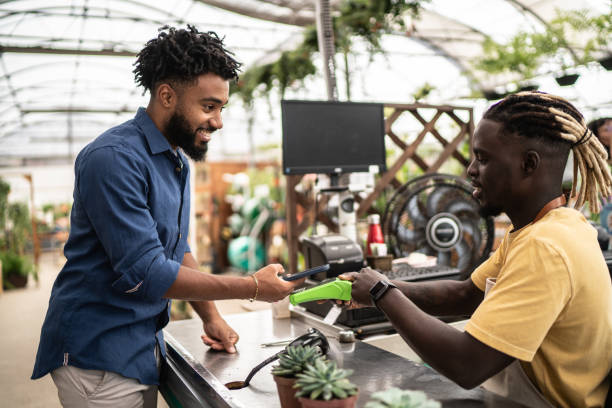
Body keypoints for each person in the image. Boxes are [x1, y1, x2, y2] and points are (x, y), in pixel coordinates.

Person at [31, 25, 301, 408]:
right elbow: (148, 272)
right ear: (167, 95)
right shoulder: (113, 158)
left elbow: (174, 247)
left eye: (221, 108)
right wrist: (252, 287)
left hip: (142, 342)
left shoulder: (175, 160)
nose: (218, 121)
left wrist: (211, 317)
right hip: (100, 355)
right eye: (208, 106)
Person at [341, 91, 612, 408]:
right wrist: (380, 286)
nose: (470, 170)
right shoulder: (553, 225)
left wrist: (381, 293)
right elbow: (465, 294)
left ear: (529, 164)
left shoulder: (545, 246)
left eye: (483, 159)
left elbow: (468, 364)